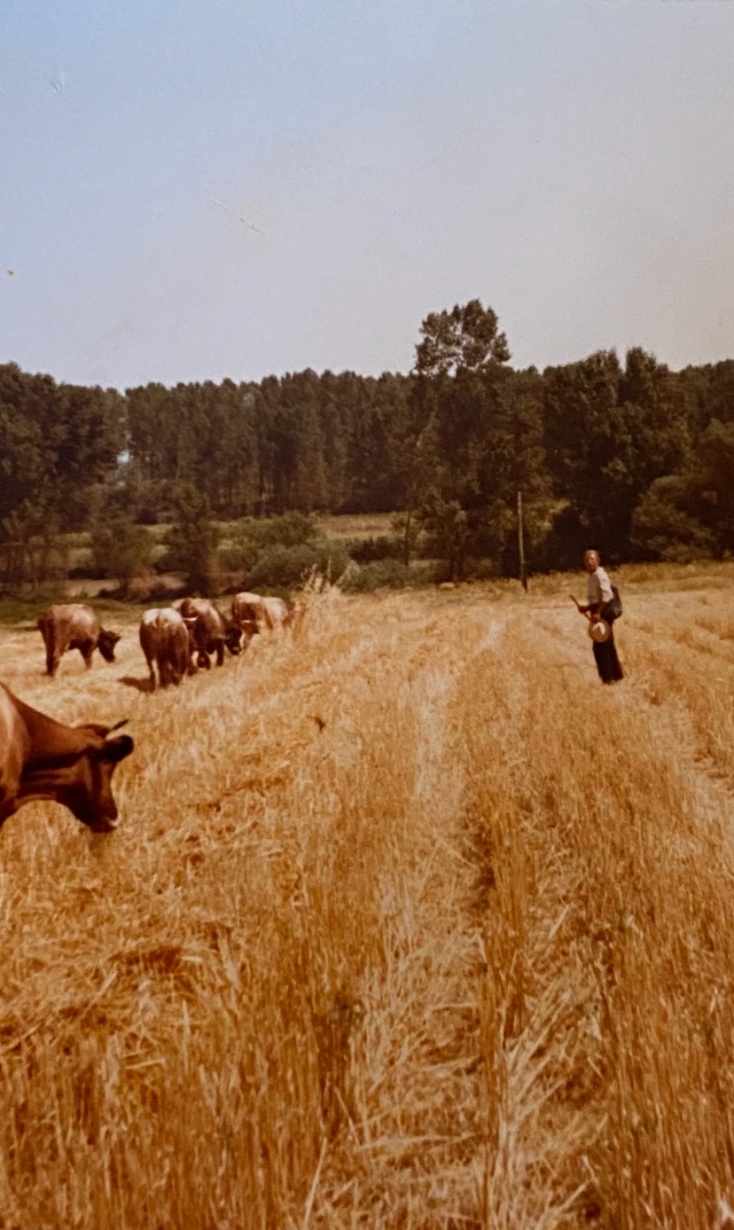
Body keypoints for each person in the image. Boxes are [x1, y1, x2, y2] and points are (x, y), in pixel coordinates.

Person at [578, 549, 624, 684]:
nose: (590, 562)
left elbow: (607, 596)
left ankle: (609, 678)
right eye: (587, 560)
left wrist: (598, 612)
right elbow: (596, 598)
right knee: (606, 643)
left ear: (598, 561)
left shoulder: (600, 575)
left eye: (592, 559)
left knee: (601, 645)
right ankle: (615, 675)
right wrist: (586, 608)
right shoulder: (592, 576)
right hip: (599, 610)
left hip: (604, 611)